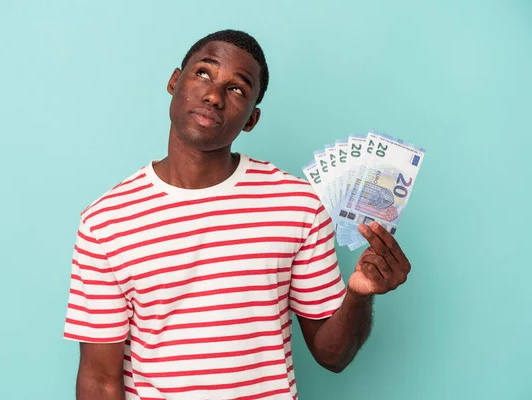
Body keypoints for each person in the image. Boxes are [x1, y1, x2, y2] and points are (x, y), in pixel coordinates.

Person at [63, 29, 411, 400]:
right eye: (202, 73)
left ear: (251, 119)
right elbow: (99, 381)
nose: (213, 95)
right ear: (174, 81)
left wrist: (359, 295)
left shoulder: (297, 205)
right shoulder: (105, 221)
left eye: (237, 89)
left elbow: (332, 356)